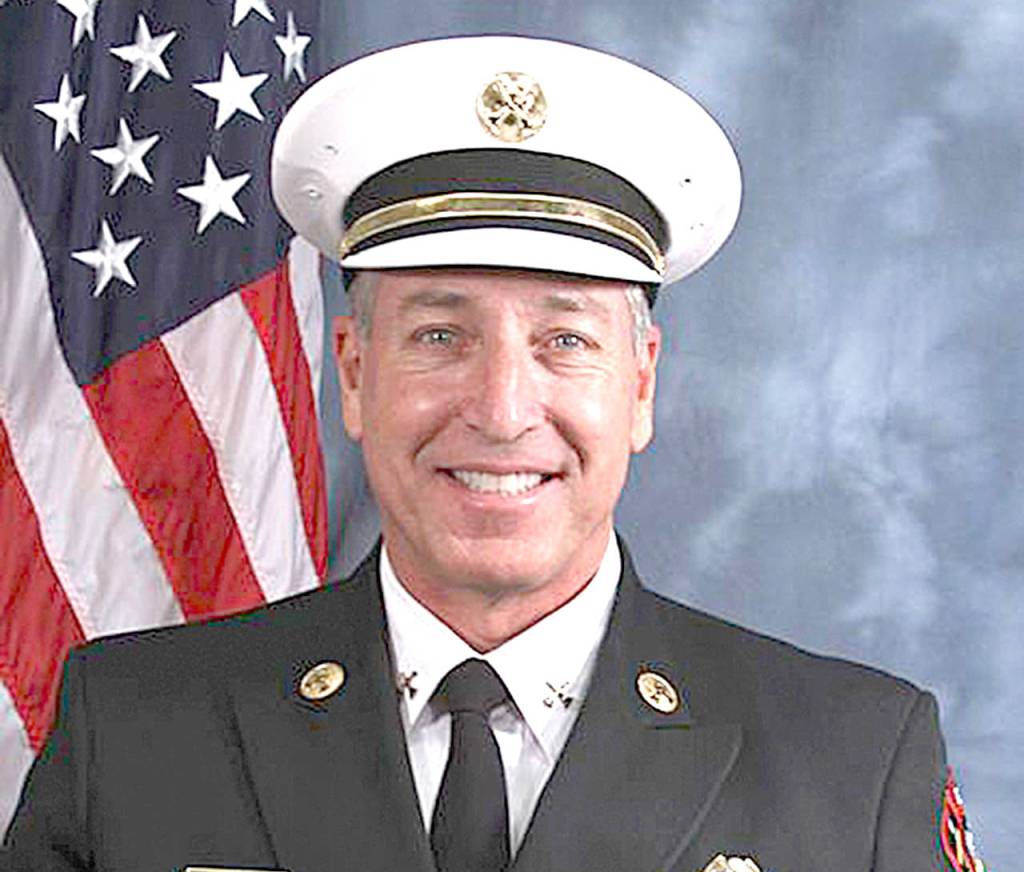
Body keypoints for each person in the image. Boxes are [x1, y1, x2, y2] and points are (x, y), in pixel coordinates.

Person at [2, 35, 979, 872]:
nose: (504, 412)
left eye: (565, 340)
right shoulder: (130, 733)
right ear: (353, 372)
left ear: (640, 383)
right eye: (440, 335)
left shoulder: (853, 761)